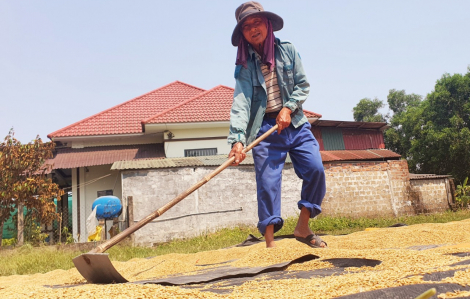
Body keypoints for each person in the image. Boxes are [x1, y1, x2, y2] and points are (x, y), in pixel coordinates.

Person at [227, 1, 327, 248]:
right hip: (265, 129)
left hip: (295, 123)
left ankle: (303, 228)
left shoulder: (288, 50)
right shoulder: (244, 65)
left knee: (315, 170)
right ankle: (270, 246)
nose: (253, 29)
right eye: (246, 26)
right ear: (243, 35)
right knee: (268, 183)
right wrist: (238, 140)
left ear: (268, 24)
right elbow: (241, 101)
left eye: (257, 22)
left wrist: (288, 108)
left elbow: (303, 85)